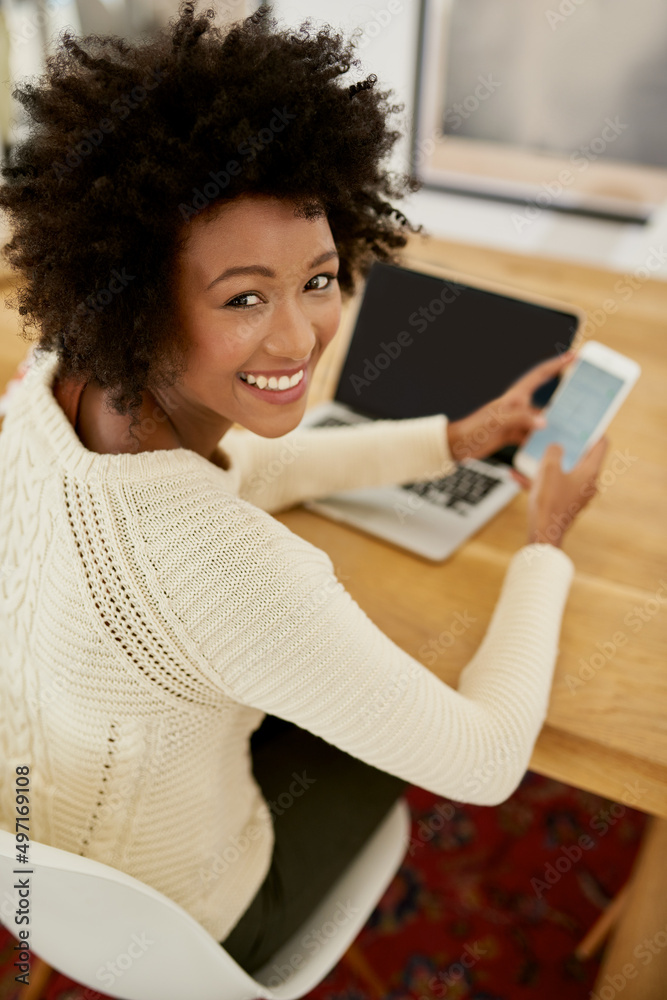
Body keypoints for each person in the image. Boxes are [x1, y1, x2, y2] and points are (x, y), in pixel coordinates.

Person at [0, 1, 607, 978]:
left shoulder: (47, 385)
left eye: (318, 279)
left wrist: (451, 439)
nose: (296, 340)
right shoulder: (232, 570)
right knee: (413, 696)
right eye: (243, 296)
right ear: (140, 298)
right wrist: (545, 539)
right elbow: (488, 763)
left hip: (30, 852)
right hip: (196, 921)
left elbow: (241, 471)